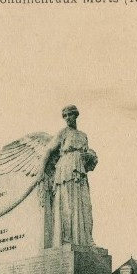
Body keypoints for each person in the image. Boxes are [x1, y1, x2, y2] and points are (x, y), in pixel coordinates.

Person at [36, 105, 97, 247]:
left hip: (80, 172)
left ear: (76, 115)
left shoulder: (83, 135)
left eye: (70, 114)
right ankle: (67, 239)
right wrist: (40, 172)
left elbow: (87, 158)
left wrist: (89, 157)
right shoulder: (63, 133)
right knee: (67, 205)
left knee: (85, 206)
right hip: (66, 170)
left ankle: (87, 239)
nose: (68, 118)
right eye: (65, 116)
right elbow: (48, 151)